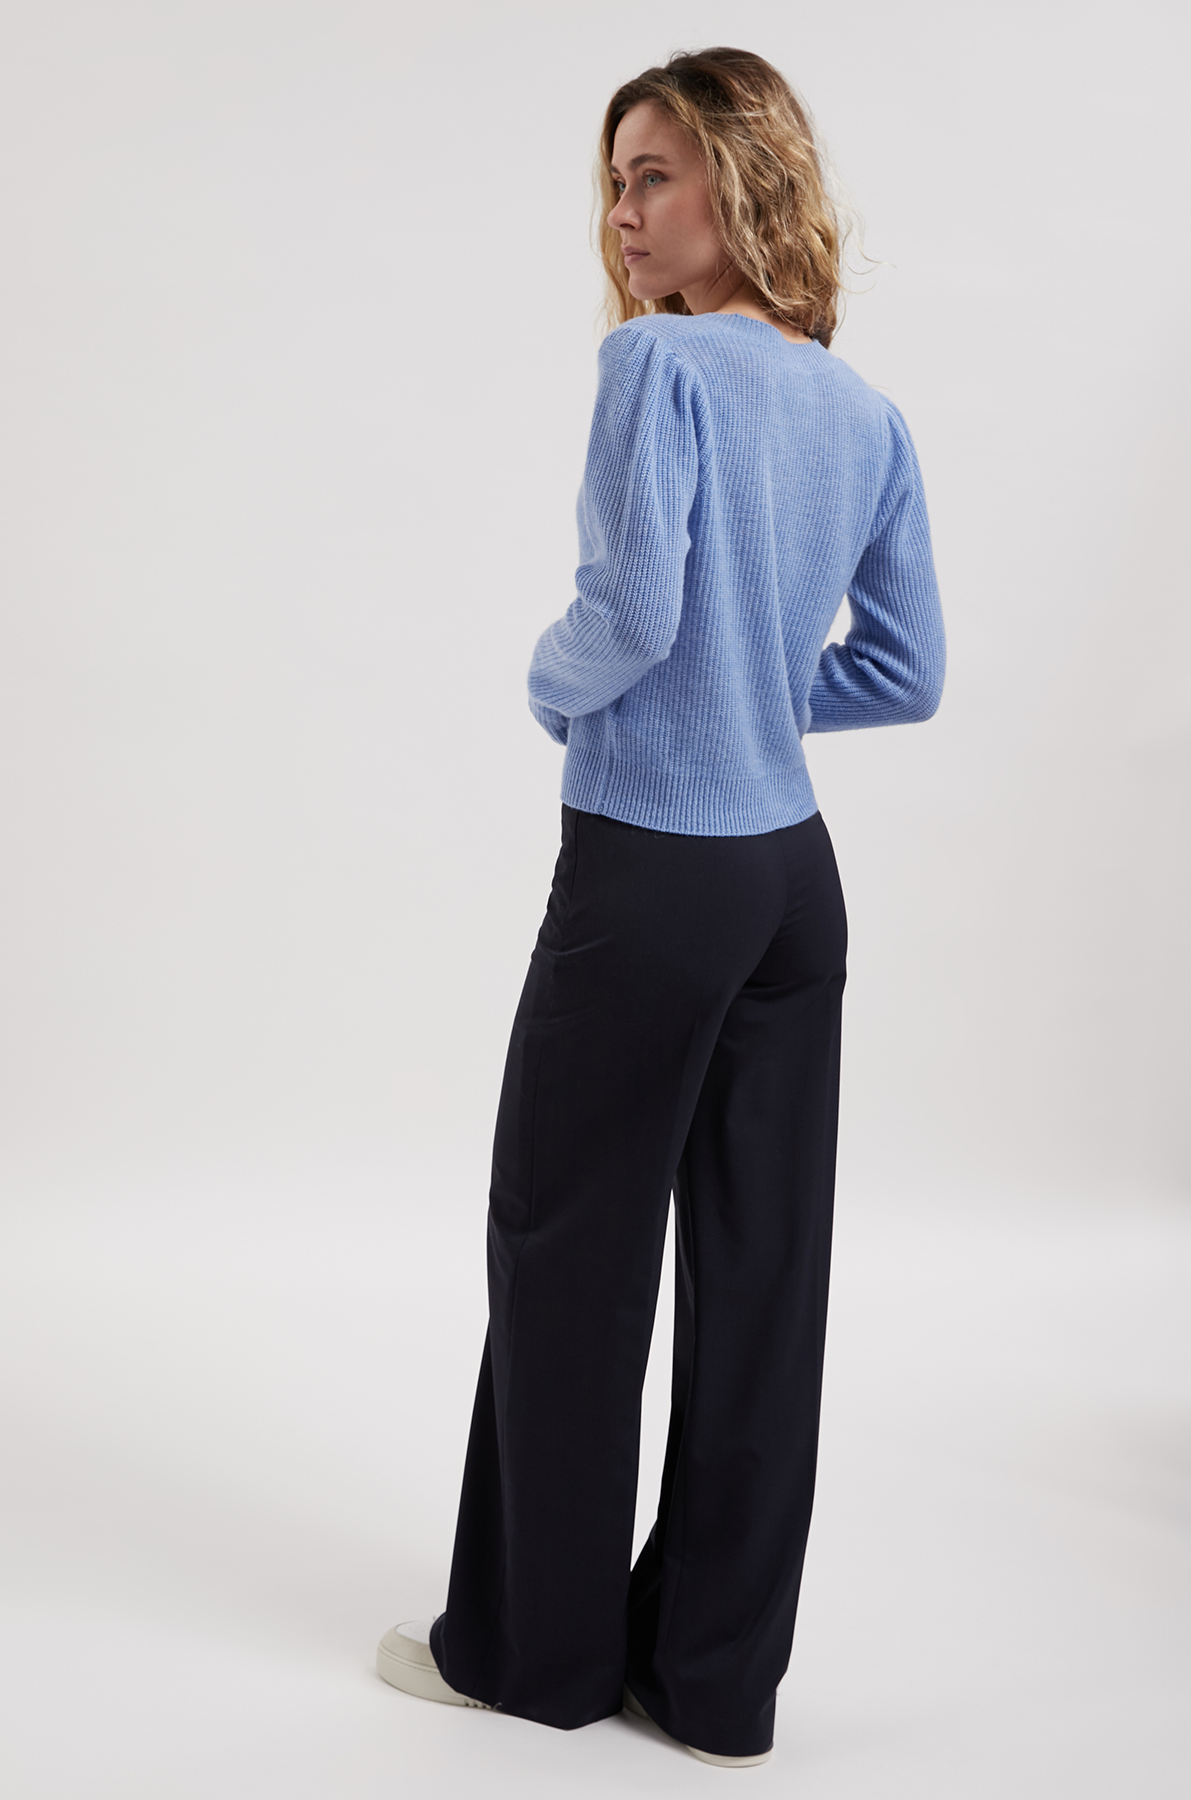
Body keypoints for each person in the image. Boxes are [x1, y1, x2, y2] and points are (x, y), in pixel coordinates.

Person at [376, 45, 944, 1769]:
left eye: (655, 176)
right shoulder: (865, 412)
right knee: (764, 1286)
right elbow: (907, 673)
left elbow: (628, 612)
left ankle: (532, 1657)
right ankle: (710, 1685)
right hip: (792, 888)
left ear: (740, 185)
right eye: (614, 183)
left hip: (651, 870)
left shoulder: (657, 366)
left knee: (567, 1251)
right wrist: (761, 692)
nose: (624, 216)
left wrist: (550, 687)